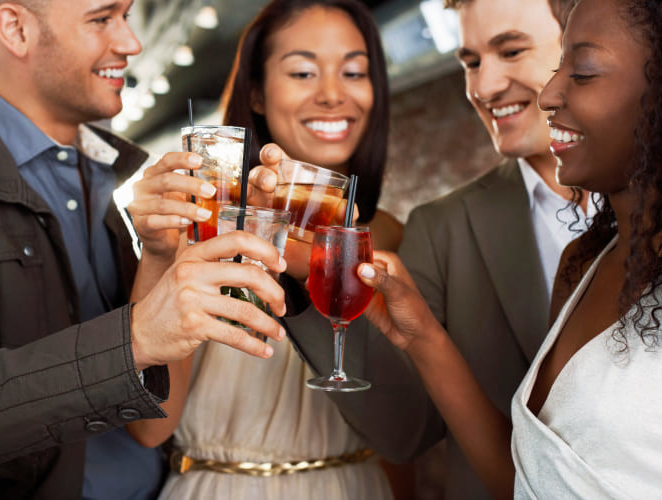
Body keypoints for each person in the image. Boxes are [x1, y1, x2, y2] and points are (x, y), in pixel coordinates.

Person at [255, 0, 589, 496]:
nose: (484, 87)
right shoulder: (442, 227)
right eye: (471, 63)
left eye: (512, 50)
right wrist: (309, 272)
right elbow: (404, 432)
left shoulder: (653, 199)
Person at [358, 0, 662, 496]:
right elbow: (530, 480)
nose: (551, 93)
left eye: (584, 71)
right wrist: (421, 333)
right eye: (470, 61)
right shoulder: (583, 265)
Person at [125, 1, 441, 498]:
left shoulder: (393, 240)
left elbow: (405, 437)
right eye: (302, 71)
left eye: (354, 72)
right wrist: (159, 254)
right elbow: (149, 429)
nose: (333, 94)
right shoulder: (202, 227)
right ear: (255, 91)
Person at [0, 1, 287, 499]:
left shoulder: (101, 175)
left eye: (127, 15)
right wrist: (135, 337)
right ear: (15, 28)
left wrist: (162, 256)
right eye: (102, 19)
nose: (131, 43)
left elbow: (149, 427)